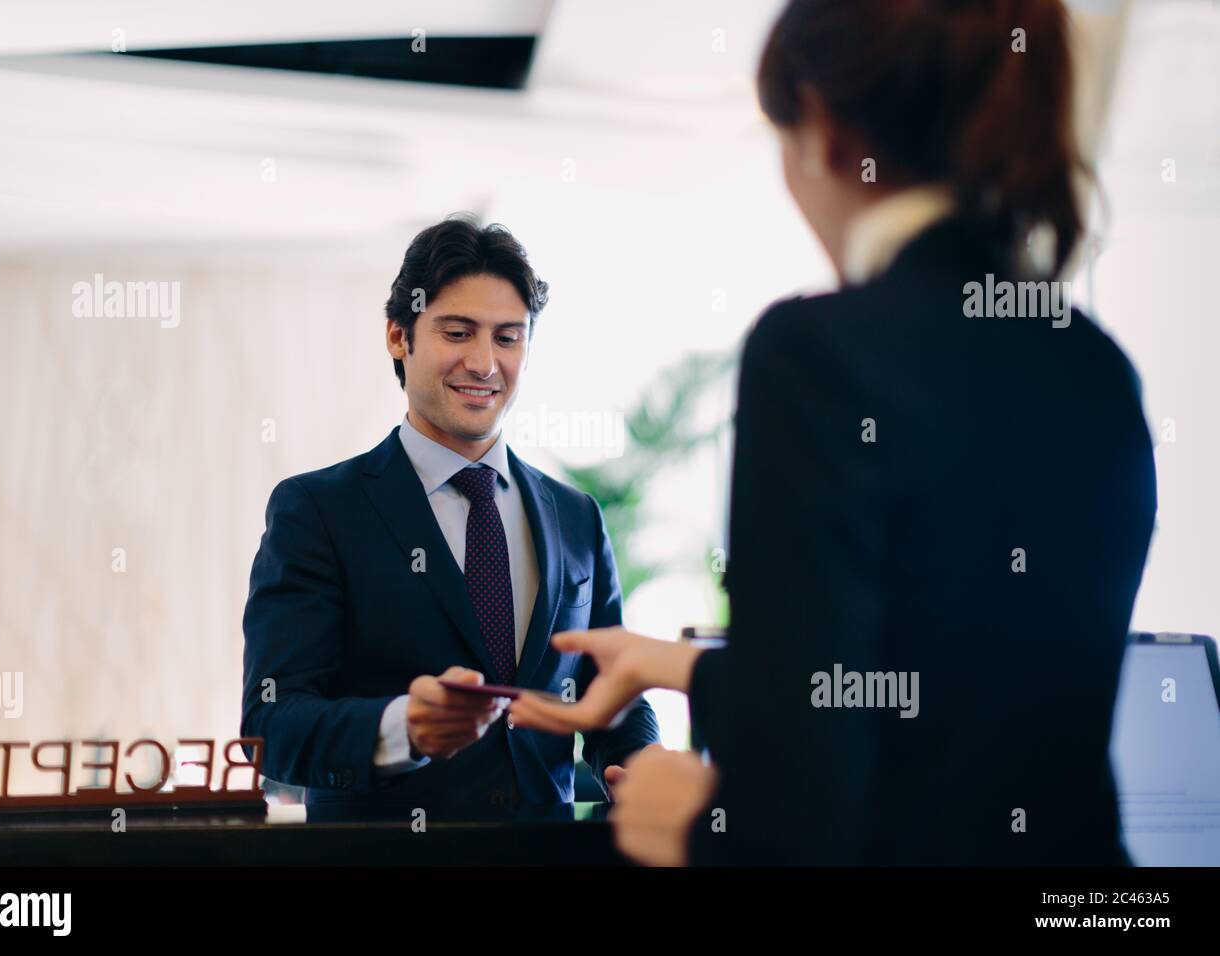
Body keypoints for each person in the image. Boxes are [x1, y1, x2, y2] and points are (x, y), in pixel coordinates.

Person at [510, 0, 1157, 865]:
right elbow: (942, 695)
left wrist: (695, 825)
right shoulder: (1096, 366)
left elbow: (803, 813)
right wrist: (679, 665)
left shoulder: (816, 352)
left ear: (818, 127)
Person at [242, 215, 659, 818]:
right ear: (398, 337)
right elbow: (270, 724)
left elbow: (611, 693)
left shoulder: (577, 518)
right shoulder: (317, 510)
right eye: (458, 332)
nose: (485, 364)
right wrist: (401, 729)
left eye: (508, 338)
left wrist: (638, 760)